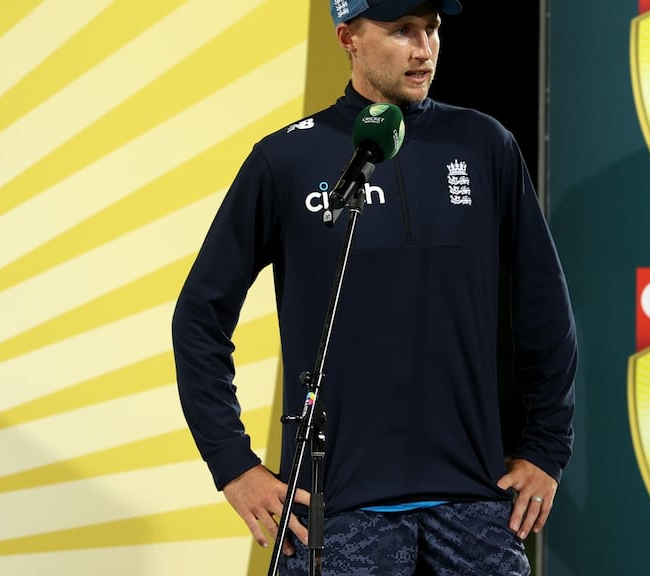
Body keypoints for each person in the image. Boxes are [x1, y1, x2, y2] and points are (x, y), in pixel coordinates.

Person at [171, 0, 577, 573]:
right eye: (402, 31)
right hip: (336, 513)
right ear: (348, 38)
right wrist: (233, 464)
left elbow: (545, 305)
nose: (424, 49)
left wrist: (547, 446)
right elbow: (199, 317)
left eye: (432, 29)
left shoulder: (485, 145)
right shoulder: (286, 157)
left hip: (474, 505)